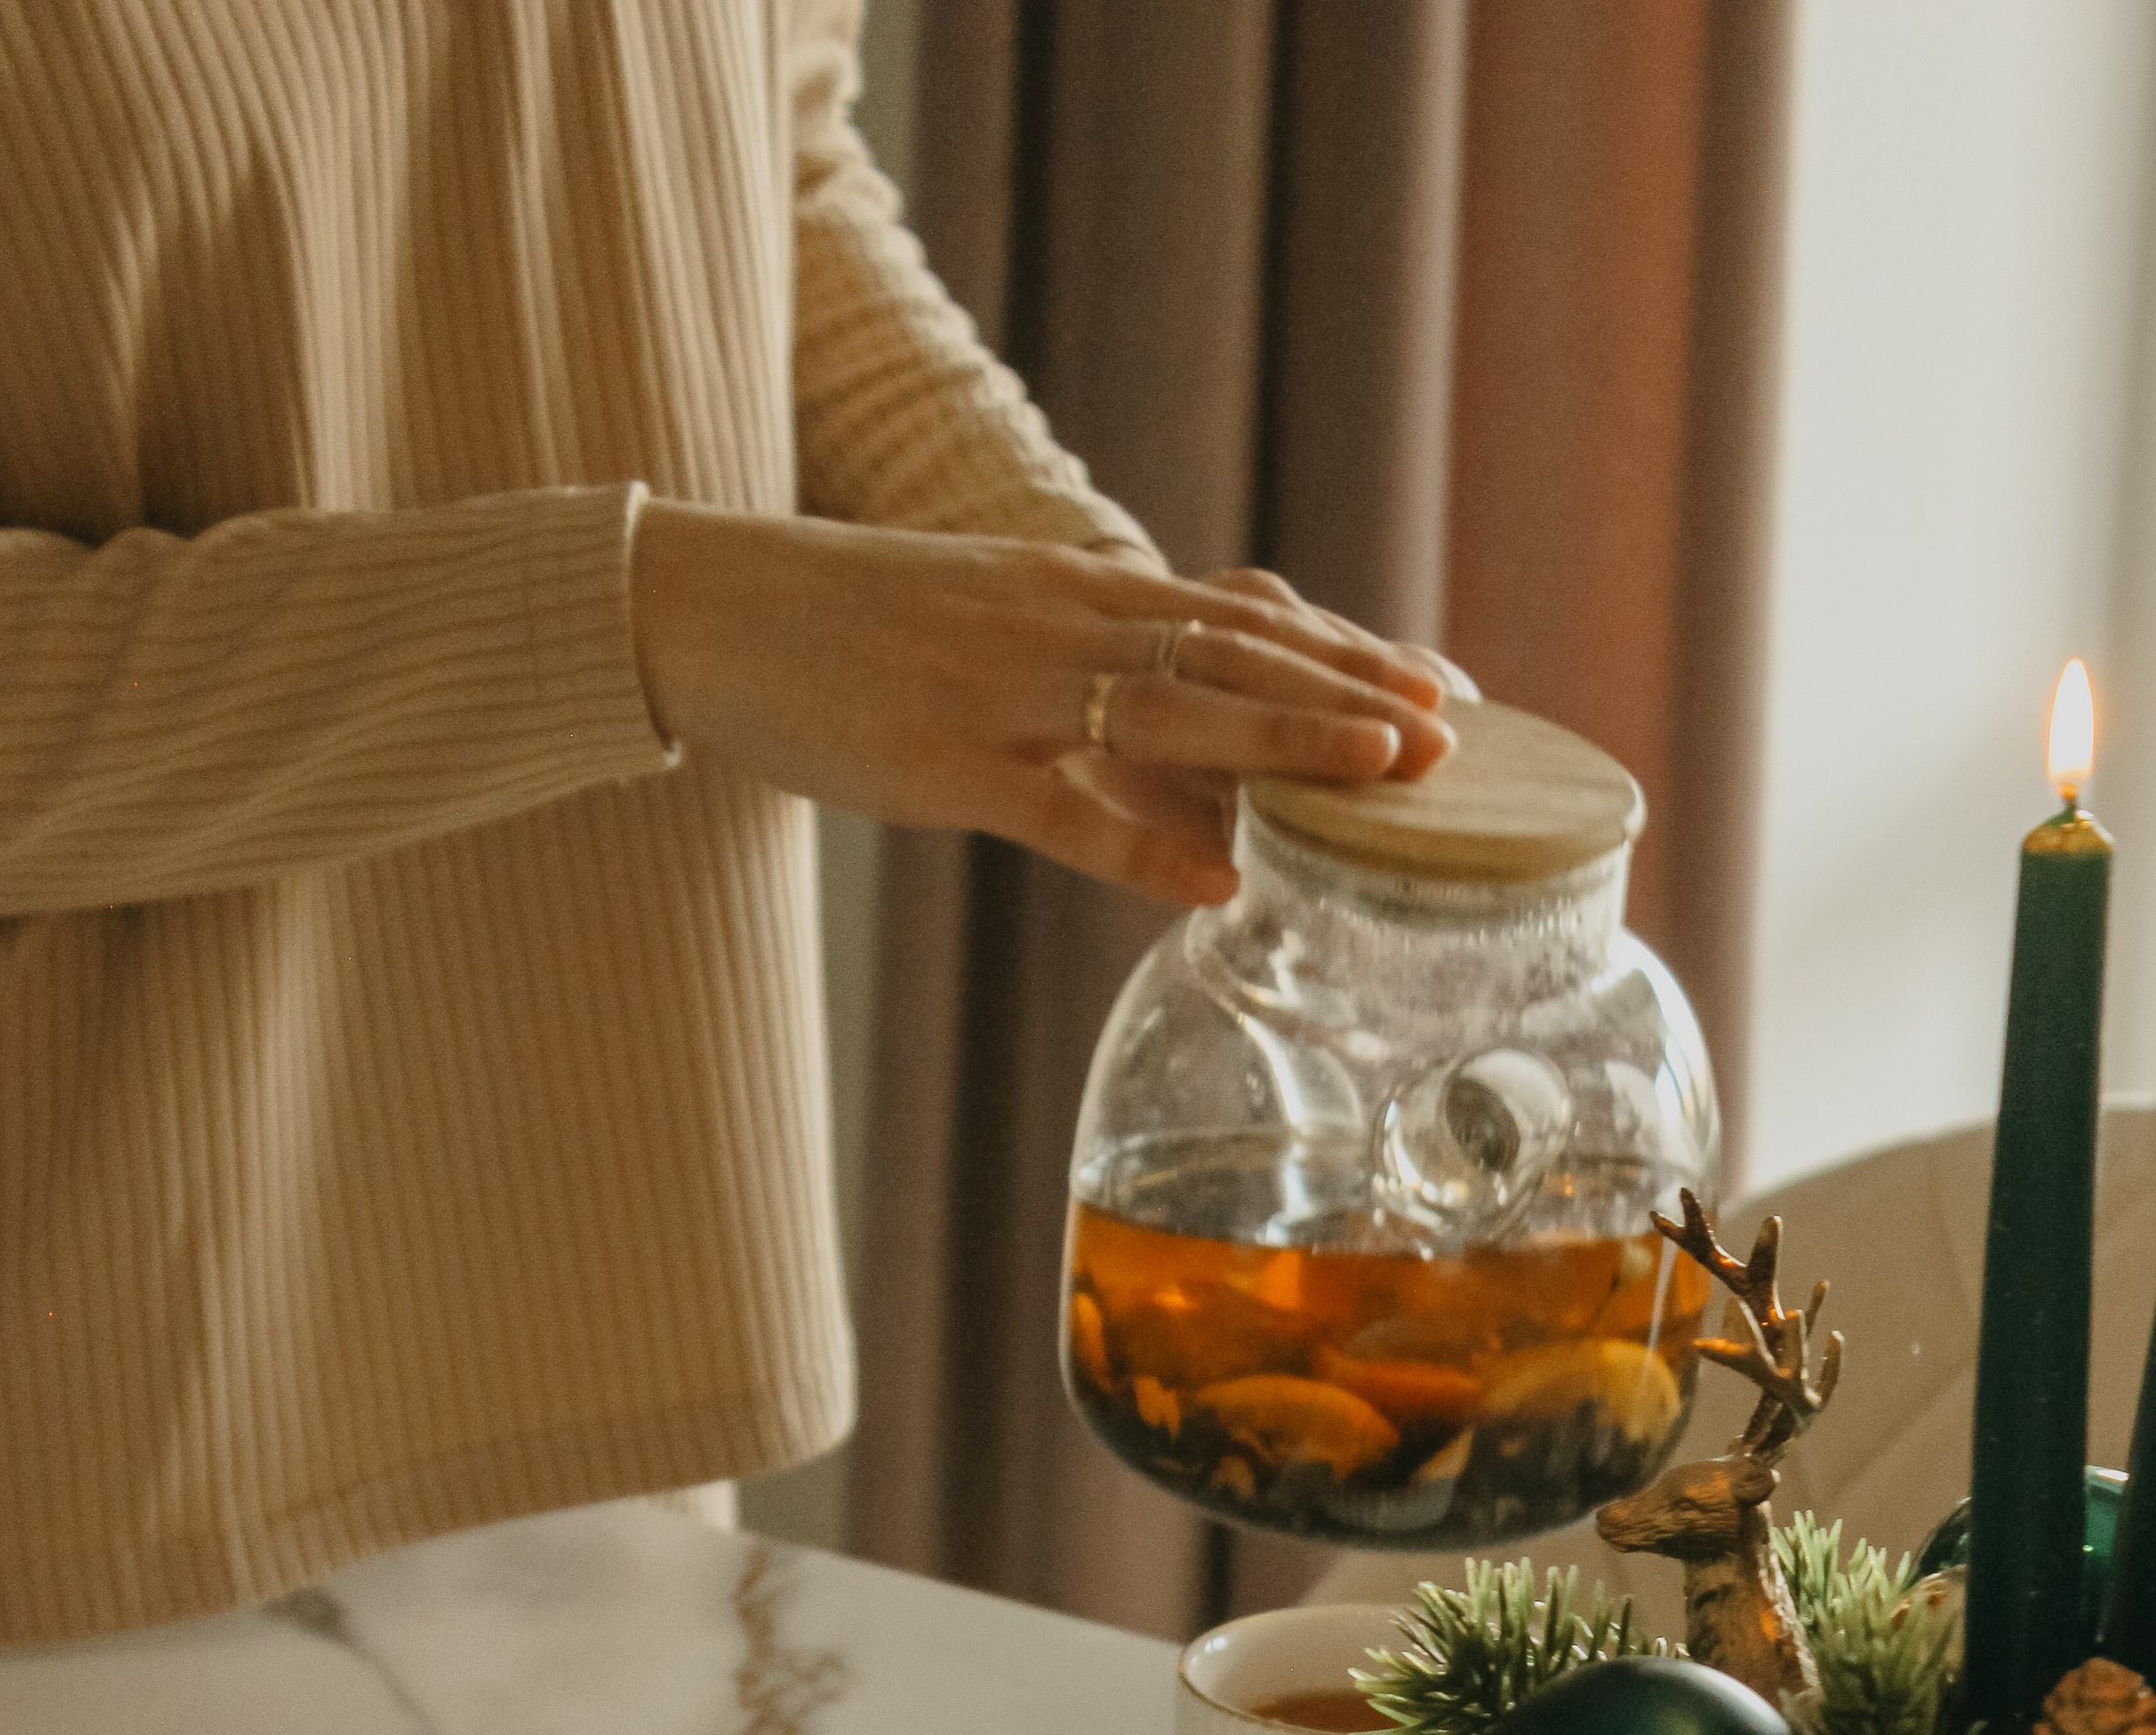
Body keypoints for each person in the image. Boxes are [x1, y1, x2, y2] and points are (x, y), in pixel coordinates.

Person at [0, 3, 1456, 1645]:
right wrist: (647, 622)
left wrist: (1094, 623)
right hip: (86, 1464)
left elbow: (763, 166)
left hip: (613, 1335)